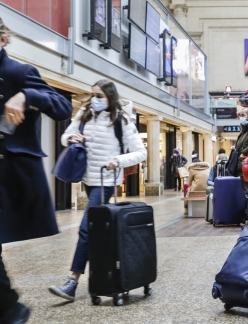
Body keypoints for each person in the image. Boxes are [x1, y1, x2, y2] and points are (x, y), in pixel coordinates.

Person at [0, 21, 72, 323]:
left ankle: (11, 309)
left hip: (9, 174)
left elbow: (62, 106)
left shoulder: (19, 73)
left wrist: (27, 96)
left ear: (3, 39)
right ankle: (11, 308)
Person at [49, 79, 147, 302]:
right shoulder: (85, 112)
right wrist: (71, 138)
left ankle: (72, 282)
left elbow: (142, 153)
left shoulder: (121, 119)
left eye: (100, 96)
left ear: (110, 98)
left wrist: (117, 160)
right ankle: (101, 276)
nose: (95, 100)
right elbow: (66, 136)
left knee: (87, 227)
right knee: (95, 230)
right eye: (93, 95)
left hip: (106, 179)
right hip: (87, 176)